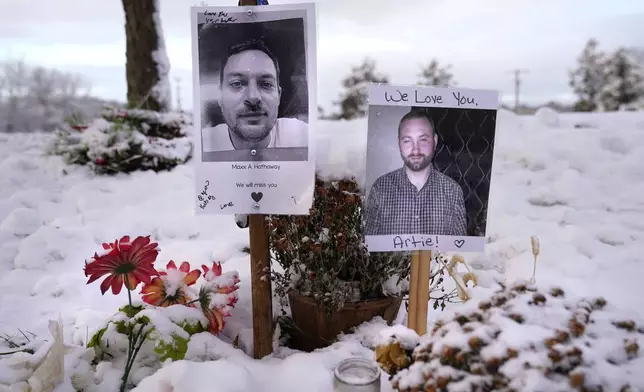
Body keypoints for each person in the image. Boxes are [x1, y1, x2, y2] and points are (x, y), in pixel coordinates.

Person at [201, 38, 308, 161]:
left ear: (278, 95)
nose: (253, 97)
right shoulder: (200, 148)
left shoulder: (302, 138)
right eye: (236, 83)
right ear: (220, 96)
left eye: (266, 84)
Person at [364, 110, 467, 236]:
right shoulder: (379, 189)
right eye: (407, 141)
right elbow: (366, 249)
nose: (415, 150)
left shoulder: (453, 192)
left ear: (435, 141)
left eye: (423, 140)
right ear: (399, 143)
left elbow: (459, 252)